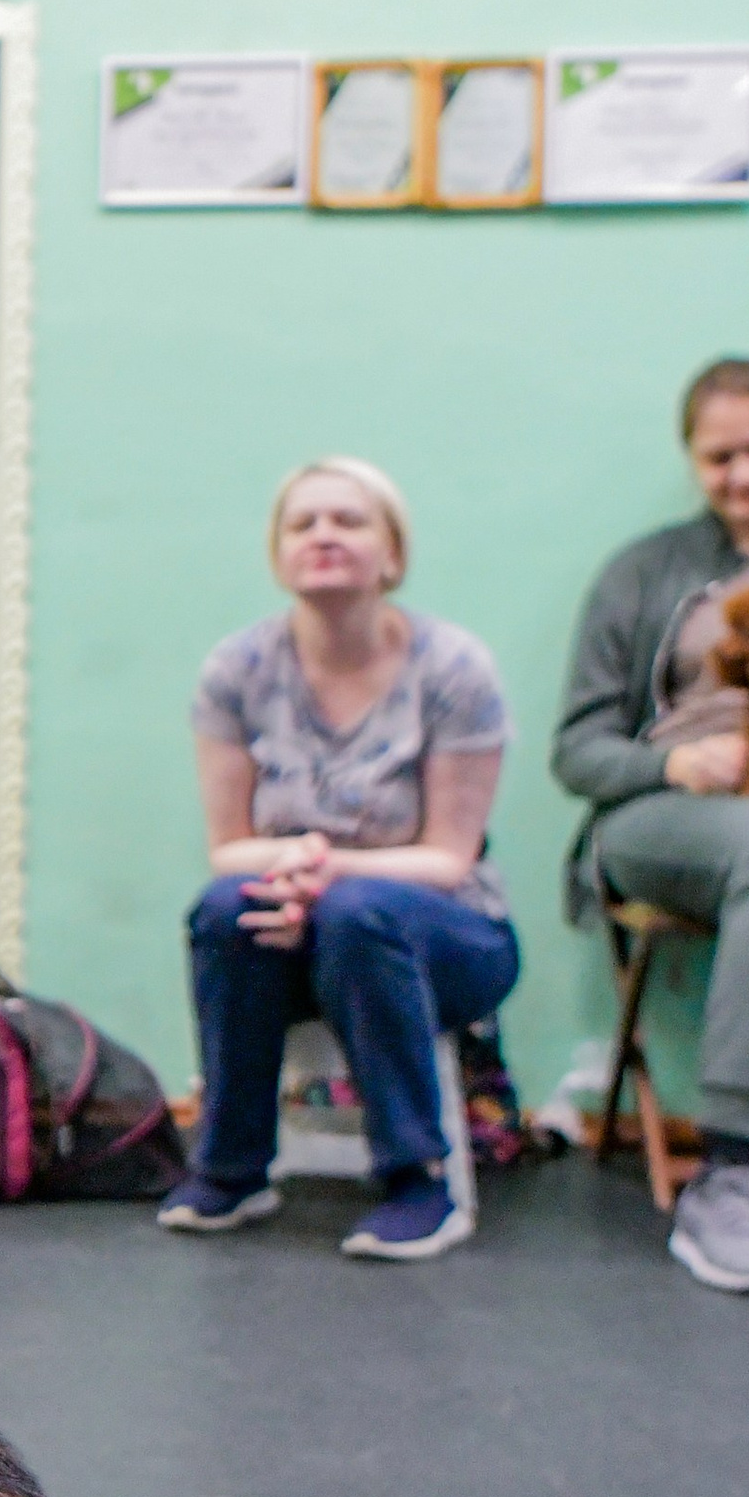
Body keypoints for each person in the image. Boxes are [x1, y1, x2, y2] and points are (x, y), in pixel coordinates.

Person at [165, 457, 519, 1261]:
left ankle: (417, 1182)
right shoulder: (236, 670)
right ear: (279, 553)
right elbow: (230, 847)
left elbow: (449, 859)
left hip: (454, 936)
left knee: (360, 914)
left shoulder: (455, 669)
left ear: (392, 554)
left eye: (349, 521)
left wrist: (325, 881)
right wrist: (299, 874)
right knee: (226, 908)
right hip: (305, 919)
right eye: (304, 523)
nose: (324, 535)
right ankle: (231, 1169)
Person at [553, 356, 749, 1295]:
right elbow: (578, 750)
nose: (746, 474)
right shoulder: (644, 573)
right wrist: (674, 762)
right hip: (661, 821)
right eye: (721, 457)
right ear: (693, 463)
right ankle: (727, 1178)